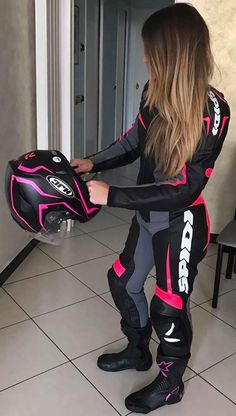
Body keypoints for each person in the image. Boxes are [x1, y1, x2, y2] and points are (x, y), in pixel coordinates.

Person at [71, 3, 230, 414]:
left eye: (150, 50)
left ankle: (171, 381)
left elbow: (184, 187)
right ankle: (138, 351)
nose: (144, 58)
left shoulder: (213, 110)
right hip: (147, 217)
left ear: (173, 53)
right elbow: (132, 142)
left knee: (169, 304)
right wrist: (93, 162)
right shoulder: (153, 91)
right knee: (123, 282)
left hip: (181, 223)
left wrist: (113, 196)